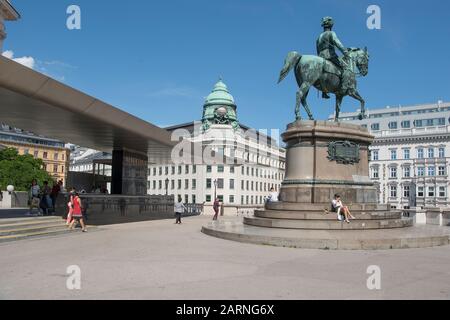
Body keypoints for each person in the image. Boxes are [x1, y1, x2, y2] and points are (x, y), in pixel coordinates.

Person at [316, 16, 351, 99]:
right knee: (346, 68)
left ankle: (324, 92)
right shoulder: (331, 33)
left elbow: (317, 49)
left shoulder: (318, 37)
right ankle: (343, 88)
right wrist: (345, 52)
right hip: (330, 56)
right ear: (331, 25)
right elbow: (337, 43)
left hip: (321, 57)